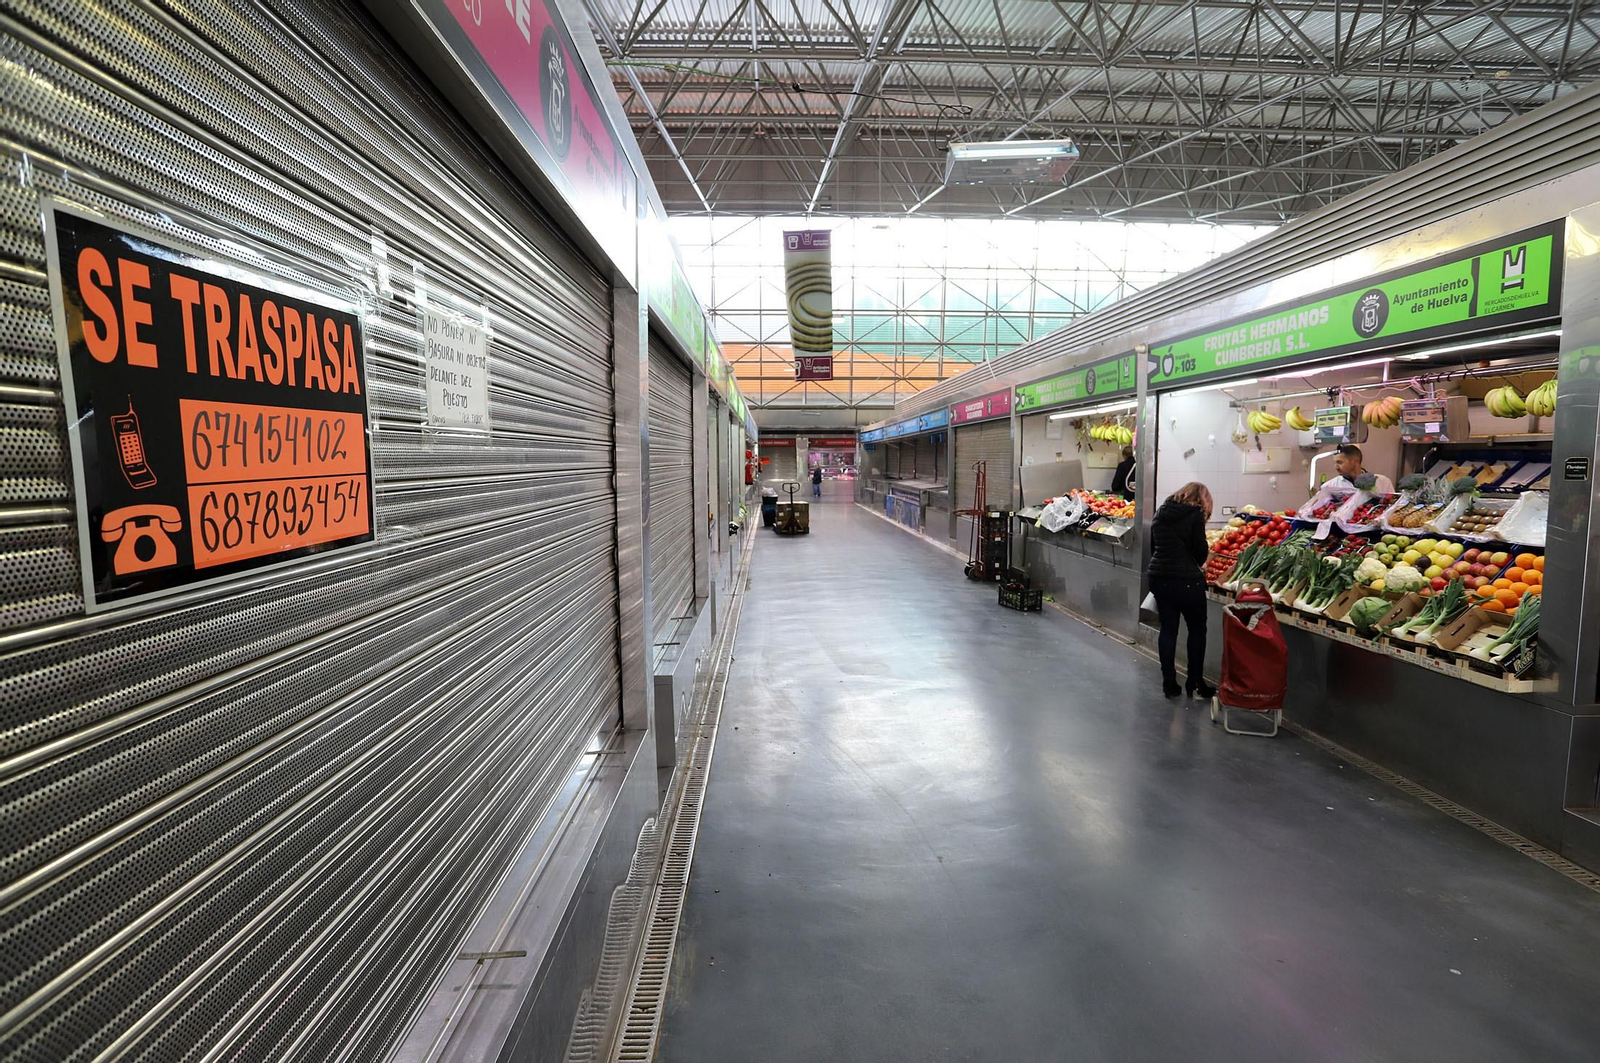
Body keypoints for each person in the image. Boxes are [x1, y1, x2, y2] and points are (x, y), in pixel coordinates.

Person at [1146, 481, 1216, 700]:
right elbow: (1199, 554)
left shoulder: (1161, 512)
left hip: (1158, 577)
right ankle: (1195, 681)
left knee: (1168, 630)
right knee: (1197, 630)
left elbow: (1153, 548)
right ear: (1202, 499)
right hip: (1186, 581)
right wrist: (1206, 554)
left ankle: (1169, 682)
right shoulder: (1194, 515)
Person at [1330, 443, 1395, 495]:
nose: (1336, 467)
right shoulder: (1330, 486)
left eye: (1339, 462)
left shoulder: (1383, 482)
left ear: (1355, 461)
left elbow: (1394, 505)